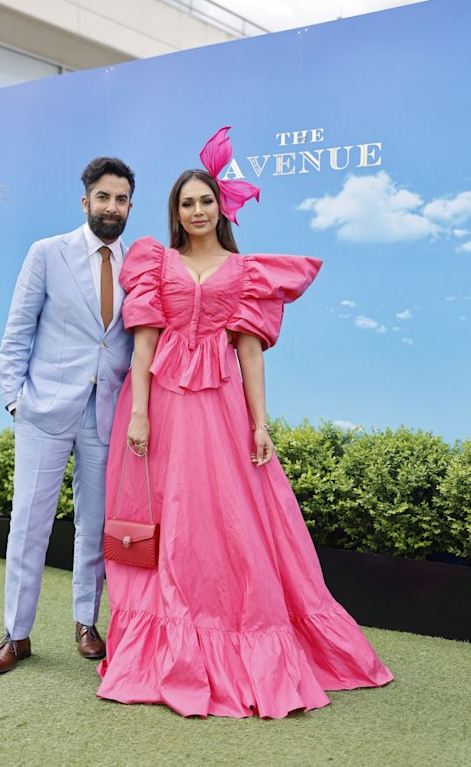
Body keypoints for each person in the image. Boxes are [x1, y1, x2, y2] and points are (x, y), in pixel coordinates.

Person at [97, 127, 393, 718]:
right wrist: (138, 413)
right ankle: (165, 644)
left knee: (231, 517)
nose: (198, 210)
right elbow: (144, 344)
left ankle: (240, 637)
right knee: (169, 514)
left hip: (224, 405)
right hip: (163, 406)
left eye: (206, 200)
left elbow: (251, 354)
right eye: (187, 203)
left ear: (219, 207)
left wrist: (261, 424)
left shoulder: (246, 272)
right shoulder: (157, 262)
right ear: (175, 213)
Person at [0, 156, 135, 674]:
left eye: (121, 200)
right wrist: (14, 399)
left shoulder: (139, 265)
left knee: (95, 525)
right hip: (43, 410)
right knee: (28, 523)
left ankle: (86, 624)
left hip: (106, 415)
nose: (112, 207)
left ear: (129, 207)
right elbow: (17, 330)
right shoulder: (47, 253)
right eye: (104, 197)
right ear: (85, 200)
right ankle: (16, 635)